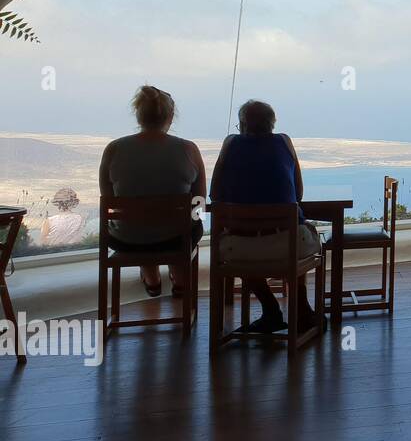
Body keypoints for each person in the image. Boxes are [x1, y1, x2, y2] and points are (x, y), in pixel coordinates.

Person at [209, 99, 320, 334]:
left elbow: (215, 194)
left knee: (244, 250)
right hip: (288, 246)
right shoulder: (284, 142)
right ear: (272, 124)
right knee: (299, 234)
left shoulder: (230, 144)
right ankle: (301, 309)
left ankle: (271, 309)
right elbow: (298, 193)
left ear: (242, 125)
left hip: (239, 250)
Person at [98, 85, 206, 297]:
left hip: (127, 241)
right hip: (176, 239)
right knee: (186, 228)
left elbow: (108, 200)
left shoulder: (114, 149)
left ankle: (152, 279)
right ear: (171, 116)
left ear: (138, 115)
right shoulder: (189, 150)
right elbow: (199, 203)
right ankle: (180, 277)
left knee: (141, 228)